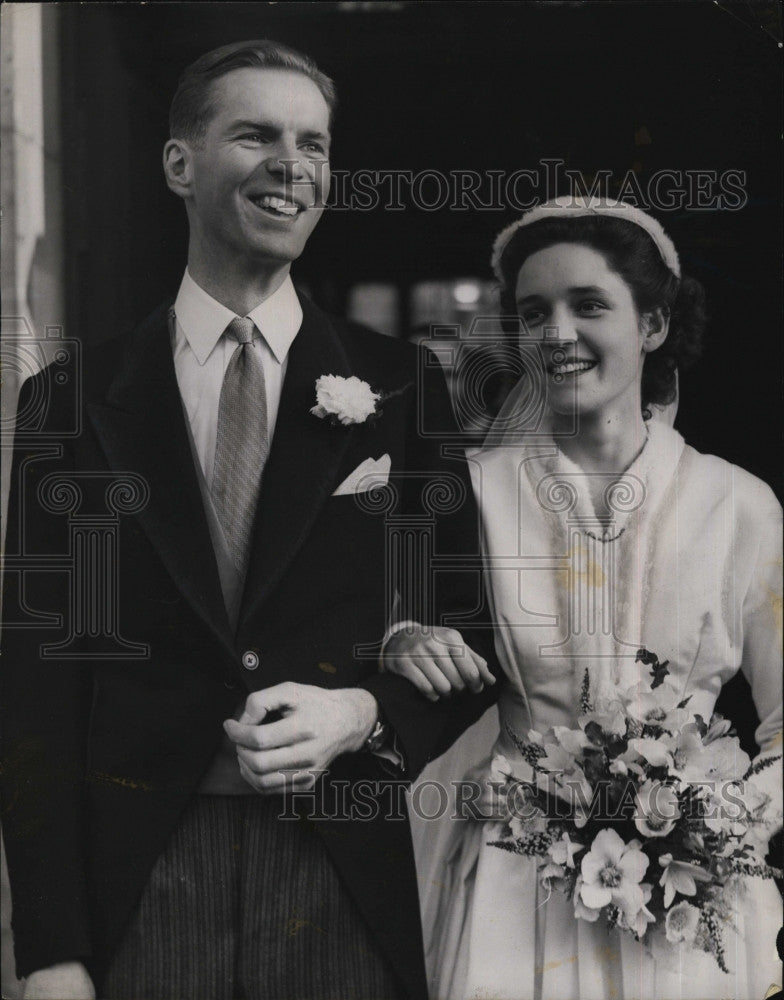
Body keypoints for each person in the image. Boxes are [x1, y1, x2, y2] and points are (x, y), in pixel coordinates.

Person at [0, 40, 498, 1000]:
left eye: (313, 144)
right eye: (256, 135)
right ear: (179, 163)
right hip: (140, 882)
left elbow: (467, 632)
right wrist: (51, 947)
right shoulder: (72, 399)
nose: (292, 164)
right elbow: (35, 688)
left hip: (339, 875)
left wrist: (361, 713)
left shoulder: (400, 386)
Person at [386, 198, 783, 999]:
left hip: (687, 895)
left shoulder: (738, 505)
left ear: (655, 325)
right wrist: (399, 636)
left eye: (589, 305)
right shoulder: (468, 494)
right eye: (534, 313)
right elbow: (397, 641)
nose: (556, 334)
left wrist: (726, 826)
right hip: (512, 883)